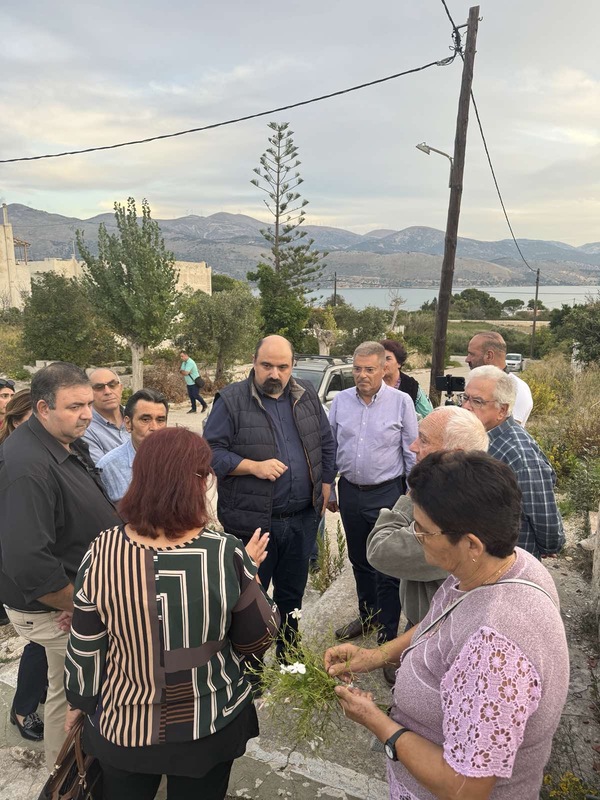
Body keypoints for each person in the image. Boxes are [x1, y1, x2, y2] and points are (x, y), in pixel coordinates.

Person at [325, 451, 569, 800]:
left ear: (471, 544)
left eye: (423, 530)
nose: (416, 535)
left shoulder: (494, 653)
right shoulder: (502, 565)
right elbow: (441, 622)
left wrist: (376, 721)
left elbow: (465, 788)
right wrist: (374, 656)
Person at [64, 427, 280, 800]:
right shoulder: (224, 553)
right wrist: (252, 574)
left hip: (123, 726)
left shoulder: (102, 550)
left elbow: (85, 645)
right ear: (199, 482)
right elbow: (257, 638)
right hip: (208, 723)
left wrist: (79, 702)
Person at [0, 362, 120, 770]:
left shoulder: (61, 440)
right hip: (55, 608)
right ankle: (75, 775)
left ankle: (64, 772)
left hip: (72, 599)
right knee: (82, 694)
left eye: (88, 404)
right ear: (42, 408)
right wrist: (83, 606)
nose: (87, 414)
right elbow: (28, 562)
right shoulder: (26, 467)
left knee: (64, 691)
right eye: (74, 407)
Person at [203, 335, 335, 658]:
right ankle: (251, 665)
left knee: (292, 594)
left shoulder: (306, 394)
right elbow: (209, 453)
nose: (274, 374)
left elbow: (326, 442)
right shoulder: (231, 400)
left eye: (282, 367)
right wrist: (253, 467)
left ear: (292, 366)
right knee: (251, 598)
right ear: (254, 362)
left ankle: (289, 652)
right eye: (267, 365)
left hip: (302, 519)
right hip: (254, 524)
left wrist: (325, 483)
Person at [328, 341, 418, 682]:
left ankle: (388, 640)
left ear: (384, 369)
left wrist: (411, 495)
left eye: (369, 369)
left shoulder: (401, 402)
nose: (362, 375)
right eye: (357, 369)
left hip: (387, 493)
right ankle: (368, 617)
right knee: (359, 560)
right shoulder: (341, 401)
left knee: (387, 565)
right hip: (350, 492)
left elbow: (411, 451)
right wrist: (328, 484)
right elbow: (331, 445)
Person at [367, 406, 489, 626]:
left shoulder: (449, 514)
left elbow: (379, 550)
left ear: (453, 455)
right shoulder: (473, 490)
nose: (413, 447)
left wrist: (411, 496)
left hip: (434, 628)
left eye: (423, 440)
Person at [462, 365, 564, 557]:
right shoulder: (481, 436)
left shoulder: (518, 452)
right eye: (465, 398)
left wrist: (550, 546)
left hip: (512, 558)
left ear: (502, 410)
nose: (467, 406)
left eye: (477, 401)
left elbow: (542, 512)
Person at [0, 390, 49, 743]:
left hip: (41, 567)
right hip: (23, 573)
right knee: (41, 642)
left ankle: (38, 692)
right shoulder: (12, 465)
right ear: (16, 423)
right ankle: (22, 708)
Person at [97, 388, 169, 503]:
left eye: (160, 420)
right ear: (128, 423)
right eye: (145, 419)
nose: (154, 428)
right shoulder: (109, 467)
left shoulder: (181, 461)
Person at [466, 331, 533, 426]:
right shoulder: (477, 382)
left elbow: (510, 429)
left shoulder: (517, 388)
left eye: (472, 354)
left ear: (489, 356)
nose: (467, 359)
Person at [82, 368, 130, 463]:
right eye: (99, 387)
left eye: (112, 385)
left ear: (121, 388)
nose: (107, 391)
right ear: (89, 393)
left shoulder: (138, 417)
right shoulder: (85, 429)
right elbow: (104, 469)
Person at [380, 339, 433, 419]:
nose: (383, 363)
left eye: (388, 359)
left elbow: (428, 417)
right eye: (380, 359)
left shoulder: (411, 386)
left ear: (399, 363)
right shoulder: (372, 384)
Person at [179, 349, 208, 413]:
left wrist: (184, 372)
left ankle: (204, 404)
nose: (181, 358)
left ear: (186, 355)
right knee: (191, 396)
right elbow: (181, 371)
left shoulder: (190, 362)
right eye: (180, 356)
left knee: (195, 395)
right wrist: (183, 371)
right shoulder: (184, 363)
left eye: (182, 356)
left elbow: (185, 373)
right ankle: (193, 409)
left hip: (194, 382)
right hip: (189, 382)